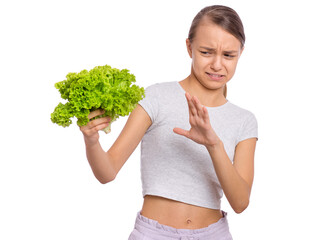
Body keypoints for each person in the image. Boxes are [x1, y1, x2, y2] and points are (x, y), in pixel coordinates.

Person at [80, 5, 258, 240]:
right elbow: (107, 172)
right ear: (189, 47)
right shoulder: (155, 97)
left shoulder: (244, 120)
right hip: (153, 234)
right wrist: (91, 141)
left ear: (240, 53)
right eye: (206, 52)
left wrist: (214, 144)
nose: (217, 64)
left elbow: (240, 202)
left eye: (228, 55)